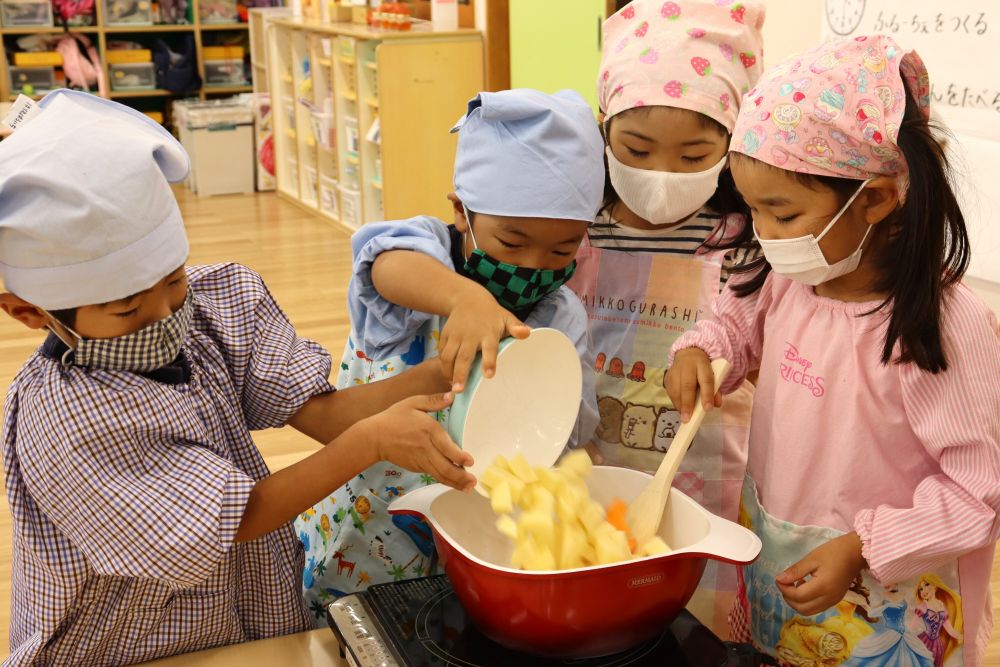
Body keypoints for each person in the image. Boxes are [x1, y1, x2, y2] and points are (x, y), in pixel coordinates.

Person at [0, 89, 473, 666]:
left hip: (240, 616)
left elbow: (322, 414)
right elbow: (239, 518)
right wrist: (371, 442)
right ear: (30, 312)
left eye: (173, 280)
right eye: (127, 309)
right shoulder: (69, 422)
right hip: (127, 643)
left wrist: (438, 374)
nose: (165, 315)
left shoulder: (213, 306)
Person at [666, 36, 1000, 665]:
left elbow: (978, 491)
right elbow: (731, 326)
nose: (763, 235)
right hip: (779, 553)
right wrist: (699, 351)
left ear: (873, 198)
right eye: (754, 211)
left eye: (784, 214)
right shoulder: (786, 279)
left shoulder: (944, 327)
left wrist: (864, 548)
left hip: (888, 590)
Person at [298, 88, 605, 613]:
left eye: (562, 249)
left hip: (479, 533)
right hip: (372, 522)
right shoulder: (426, 254)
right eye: (512, 242)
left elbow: (566, 423)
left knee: (451, 623)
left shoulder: (561, 313)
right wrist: (466, 297)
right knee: (359, 624)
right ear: (462, 212)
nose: (534, 266)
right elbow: (384, 263)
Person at [566, 0, 765, 634]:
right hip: (587, 460)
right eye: (638, 148)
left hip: (710, 473)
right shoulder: (578, 226)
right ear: (604, 130)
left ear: (732, 146)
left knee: (695, 623)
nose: (661, 176)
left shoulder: (745, 236)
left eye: (692, 156)